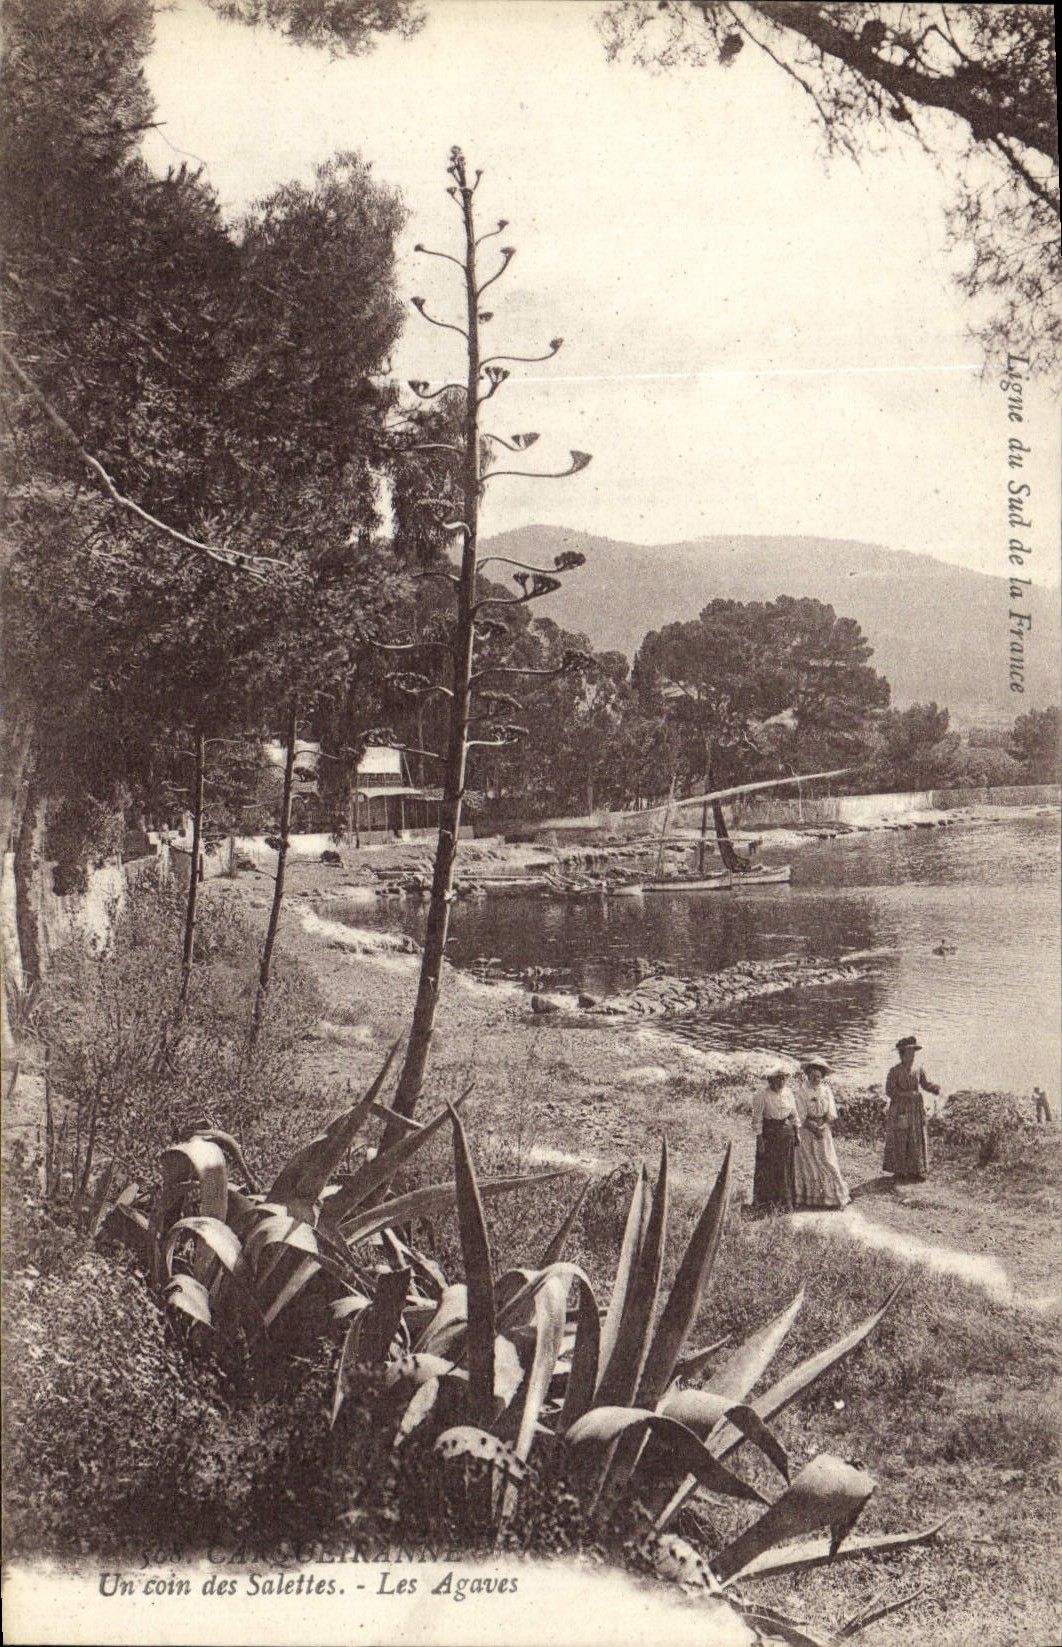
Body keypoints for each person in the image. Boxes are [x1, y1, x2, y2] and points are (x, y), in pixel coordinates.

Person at [794, 1056, 850, 1209]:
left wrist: (823, 1126)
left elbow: (831, 1113)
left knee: (827, 1161)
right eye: (812, 1075)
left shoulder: (826, 1091)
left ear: (822, 1077)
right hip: (806, 1130)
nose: (815, 1078)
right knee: (809, 1162)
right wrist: (813, 1128)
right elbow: (800, 1114)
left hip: (823, 1129)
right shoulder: (801, 1092)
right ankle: (809, 1198)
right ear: (807, 1074)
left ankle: (832, 1197)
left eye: (818, 1076)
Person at [883, 1035, 940, 1182]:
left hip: (915, 1109)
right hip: (900, 1109)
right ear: (902, 1054)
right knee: (900, 1137)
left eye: (914, 1052)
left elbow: (925, 1084)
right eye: (909, 1052)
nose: (912, 1055)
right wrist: (906, 1094)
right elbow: (889, 1091)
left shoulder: (918, 1069)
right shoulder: (894, 1071)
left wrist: (935, 1088)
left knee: (916, 1137)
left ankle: (916, 1170)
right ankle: (899, 1171)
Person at [752, 1064, 800, 1212]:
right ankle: (766, 1203)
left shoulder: (788, 1093)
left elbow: (793, 1114)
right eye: (777, 1079)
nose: (781, 1082)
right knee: (769, 1166)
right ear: (770, 1080)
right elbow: (757, 1120)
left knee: (785, 1167)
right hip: (769, 1134)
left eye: (783, 1079)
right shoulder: (761, 1096)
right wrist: (760, 1140)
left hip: (786, 1133)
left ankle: (785, 1202)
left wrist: (797, 1133)